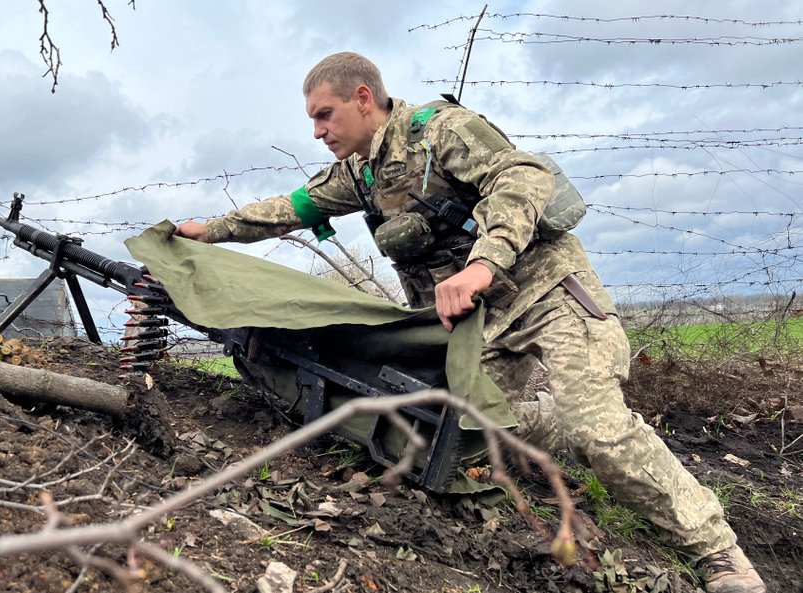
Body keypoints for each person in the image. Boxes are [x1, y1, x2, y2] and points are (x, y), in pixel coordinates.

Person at [175, 52, 766, 593]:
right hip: (480, 323)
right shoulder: (360, 174)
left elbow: (524, 176)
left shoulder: (439, 132)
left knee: (601, 428)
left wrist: (483, 262)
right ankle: (571, 432)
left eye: (324, 115)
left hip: (547, 292)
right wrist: (211, 230)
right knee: (465, 432)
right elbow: (289, 209)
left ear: (362, 97)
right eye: (312, 120)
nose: (317, 132)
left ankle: (717, 552)